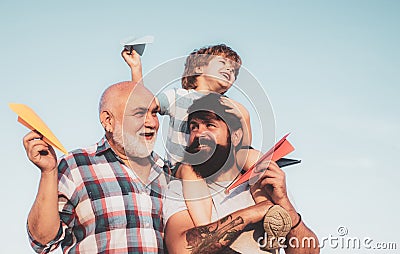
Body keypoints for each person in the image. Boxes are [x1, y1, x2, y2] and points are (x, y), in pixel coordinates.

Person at [122, 44, 275, 228]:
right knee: (189, 168)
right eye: (223, 63)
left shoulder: (232, 107)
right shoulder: (179, 97)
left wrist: (243, 116)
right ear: (199, 67)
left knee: (253, 157)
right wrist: (136, 68)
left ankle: (271, 213)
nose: (230, 70)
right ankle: (210, 229)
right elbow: (144, 103)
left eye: (234, 70)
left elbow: (243, 146)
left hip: (220, 166)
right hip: (185, 165)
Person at [163, 93, 320, 253]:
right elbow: (181, 249)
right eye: (194, 127)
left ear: (236, 136)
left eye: (210, 125)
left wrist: (284, 204)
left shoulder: (267, 184)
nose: (199, 134)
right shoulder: (179, 189)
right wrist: (254, 212)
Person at [24, 82, 168, 253]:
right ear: (108, 121)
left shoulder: (167, 172)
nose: (152, 122)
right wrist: (48, 173)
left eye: (153, 113)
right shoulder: (75, 166)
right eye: (139, 113)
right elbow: (42, 240)